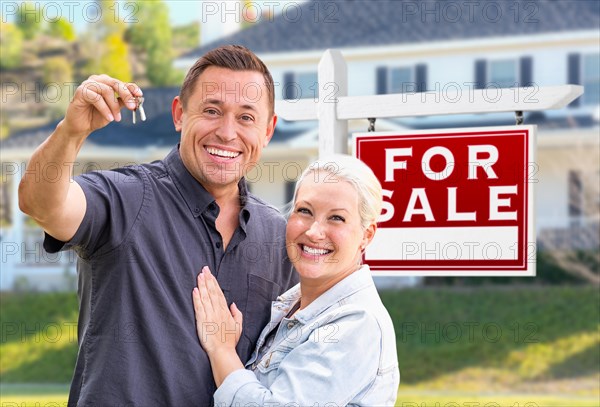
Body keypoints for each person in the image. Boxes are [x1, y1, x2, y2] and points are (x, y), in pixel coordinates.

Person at [18, 45, 297, 406]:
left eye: (246, 117)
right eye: (212, 111)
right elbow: (40, 203)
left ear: (268, 130)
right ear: (179, 114)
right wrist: (71, 132)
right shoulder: (126, 199)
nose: (228, 133)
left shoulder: (279, 236)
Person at [193, 154, 400, 406]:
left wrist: (222, 350)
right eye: (304, 211)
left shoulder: (357, 324)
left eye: (336, 218)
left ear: (366, 235)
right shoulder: (290, 305)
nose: (313, 232)